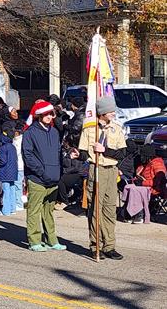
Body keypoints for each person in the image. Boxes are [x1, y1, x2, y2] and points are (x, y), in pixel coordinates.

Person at [78, 96, 126, 260]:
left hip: (111, 170)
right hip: (96, 169)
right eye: (110, 111)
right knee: (95, 209)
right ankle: (95, 245)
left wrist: (104, 150)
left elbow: (122, 153)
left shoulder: (116, 129)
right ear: (102, 112)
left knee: (110, 210)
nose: (113, 113)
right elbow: (83, 152)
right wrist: (80, 155)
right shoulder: (90, 129)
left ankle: (109, 246)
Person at [22, 101, 66, 252]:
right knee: (34, 210)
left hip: (53, 179)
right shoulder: (30, 133)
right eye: (46, 114)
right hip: (37, 179)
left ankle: (52, 240)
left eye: (51, 114)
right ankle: (34, 240)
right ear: (39, 115)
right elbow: (27, 155)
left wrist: (60, 170)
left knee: (49, 211)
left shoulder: (54, 132)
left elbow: (58, 153)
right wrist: (41, 171)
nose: (49, 116)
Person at [0, 125, 18, 216]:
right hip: (13, 172)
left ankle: (6, 210)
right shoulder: (12, 147)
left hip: (5, 172)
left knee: (6, 191)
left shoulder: (3, 148)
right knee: (12, 190)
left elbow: (2, 161)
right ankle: (12, 208)